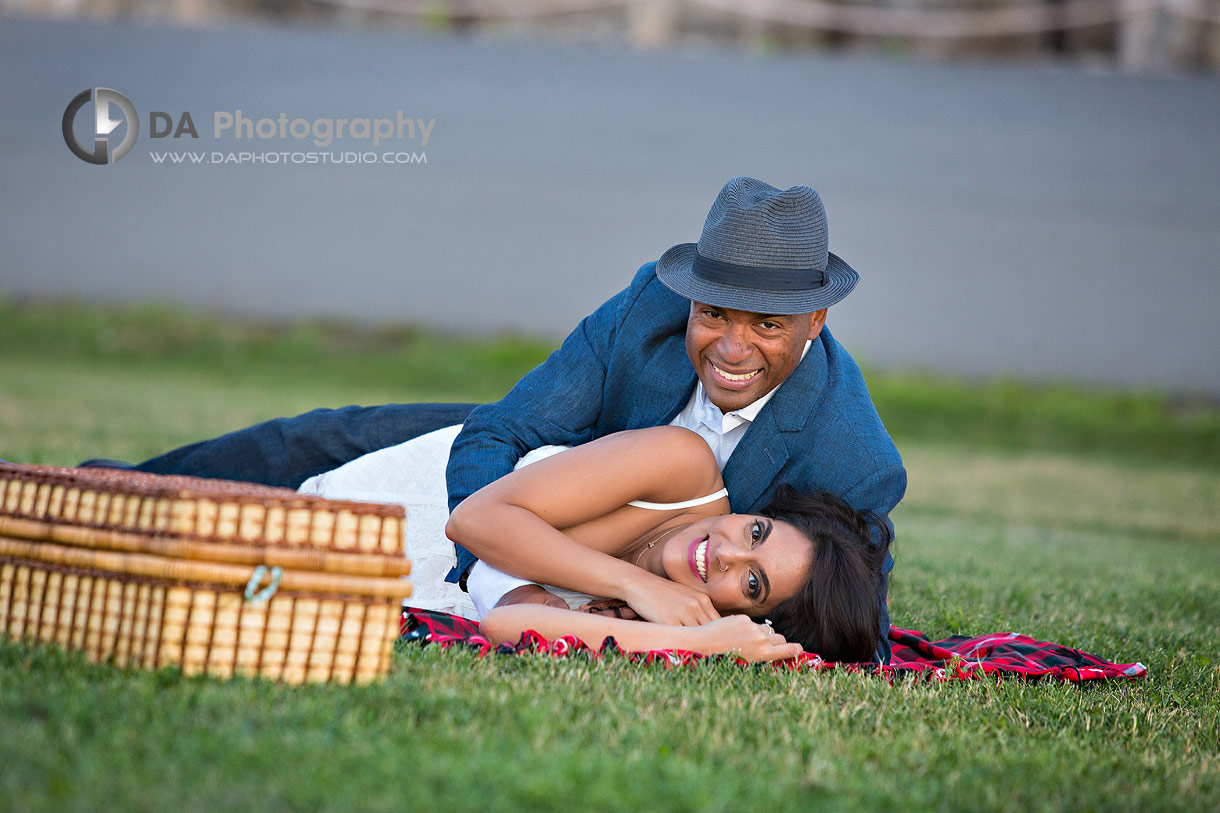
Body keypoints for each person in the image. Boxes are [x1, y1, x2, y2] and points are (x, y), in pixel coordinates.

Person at [92, 177, 907, 661]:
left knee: (233, 553)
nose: (732, 347)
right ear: (691, 295)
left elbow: (839, 599)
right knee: (313, 441)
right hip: (538, 470)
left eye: (767, 325)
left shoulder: (854, 462)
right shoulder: (645, 313)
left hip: (582, 530)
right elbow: (499, 436)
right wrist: (499, 574)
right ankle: (93, 491)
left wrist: (691, 622)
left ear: (815, 324)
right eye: (715, 314)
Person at [304, 423, 891, 663]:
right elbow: (475, 523)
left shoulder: (668, 621)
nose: (727, 552)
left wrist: (702, 640)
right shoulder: (682, 469)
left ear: (748, 617)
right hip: (359, 500)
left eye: (753, 582)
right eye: (756, 532)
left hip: (355, 578)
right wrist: (636, 583)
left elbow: (509, 628)